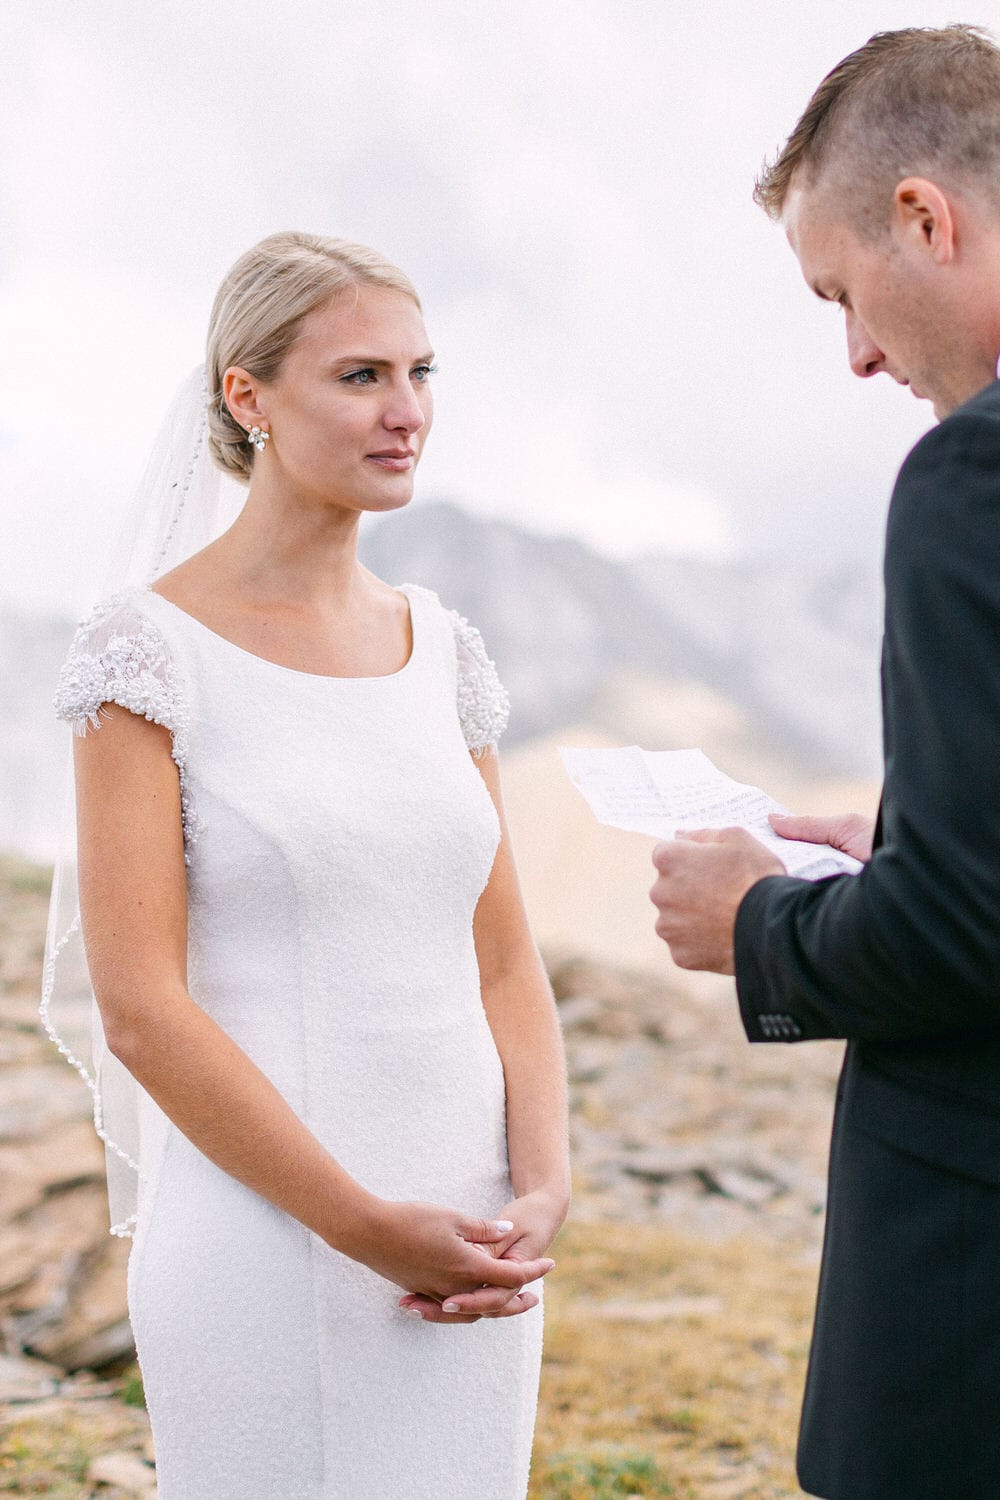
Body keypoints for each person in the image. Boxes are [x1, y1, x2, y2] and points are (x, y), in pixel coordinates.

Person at [46, 231, 569, 1499]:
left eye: (422, 372)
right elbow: (143, 1011)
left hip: (472, 1247)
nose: (408, 414)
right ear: (247, 395)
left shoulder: (441, 648)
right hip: (269, 1242)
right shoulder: (148, 652)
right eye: (360, 377)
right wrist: (358, 1224)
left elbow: (503, 962)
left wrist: (545, 1184)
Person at [647, 25, 1000, 1500]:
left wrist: (755, 920)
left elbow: (963, 933)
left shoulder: (974, 480)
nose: (856, 352)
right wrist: (910, 834)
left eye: (842, 294)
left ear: (927, 217)